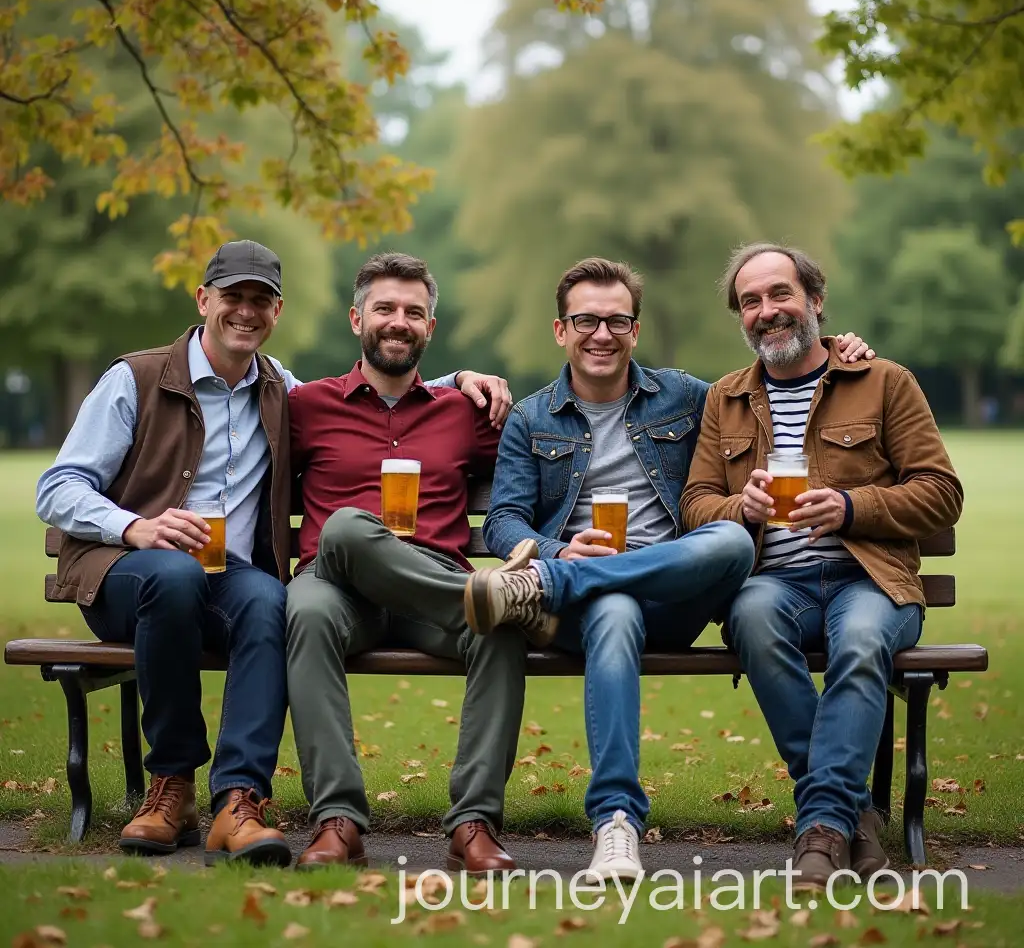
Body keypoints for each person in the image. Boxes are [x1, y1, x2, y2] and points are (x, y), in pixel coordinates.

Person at [35, 240, 512, 865]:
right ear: (205, 299)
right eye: (232, 297)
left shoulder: (284, 389)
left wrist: (459, 380)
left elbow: (444, 413)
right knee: (316, 564)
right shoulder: (167, 382)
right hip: (160, 569)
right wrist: (134, 527)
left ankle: (243, 799)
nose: (246, 312)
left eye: (260, 301)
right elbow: (58, 486)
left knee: (267, 599)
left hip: (305, 577)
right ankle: (207, 792)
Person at [466, 257, 874, 881]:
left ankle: (546, 588)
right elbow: (503, 522)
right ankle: (616, 826)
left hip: (674, 597)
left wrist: (837, 344)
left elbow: (776, 373)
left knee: (733, 543)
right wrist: (556, 550)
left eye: (616, 321)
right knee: (614, 605)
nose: (601, 334)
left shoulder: (687, 396)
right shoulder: (530, 418)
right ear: (559, 330)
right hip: (588, 608)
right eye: (585, 321)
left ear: (636, 328)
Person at [681, 242, 963, 888]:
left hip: (873, 582)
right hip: (777, 587)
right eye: (750, 301)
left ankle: (821, 831)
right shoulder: (725, 399)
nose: (767, 311)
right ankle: (853, 818)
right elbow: (694, 505)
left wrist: (848, 506)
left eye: (780, 293)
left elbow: (942, 492)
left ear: (815, 300)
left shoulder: (884, 381)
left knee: (862, 640)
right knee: (749, 617)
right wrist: (741, 509)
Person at [285, 252, 530, 876]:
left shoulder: (466, 412)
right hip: (338, 587)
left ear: (431, 328)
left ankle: (472, 824)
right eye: (386, 309)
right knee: (321, 580)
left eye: (414, 312)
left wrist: (480, 383)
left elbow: (537, 465)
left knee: (496, 629)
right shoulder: (306, 407)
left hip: (432, 585)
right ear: (356, 318)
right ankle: (338, 822)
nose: (399, 322)